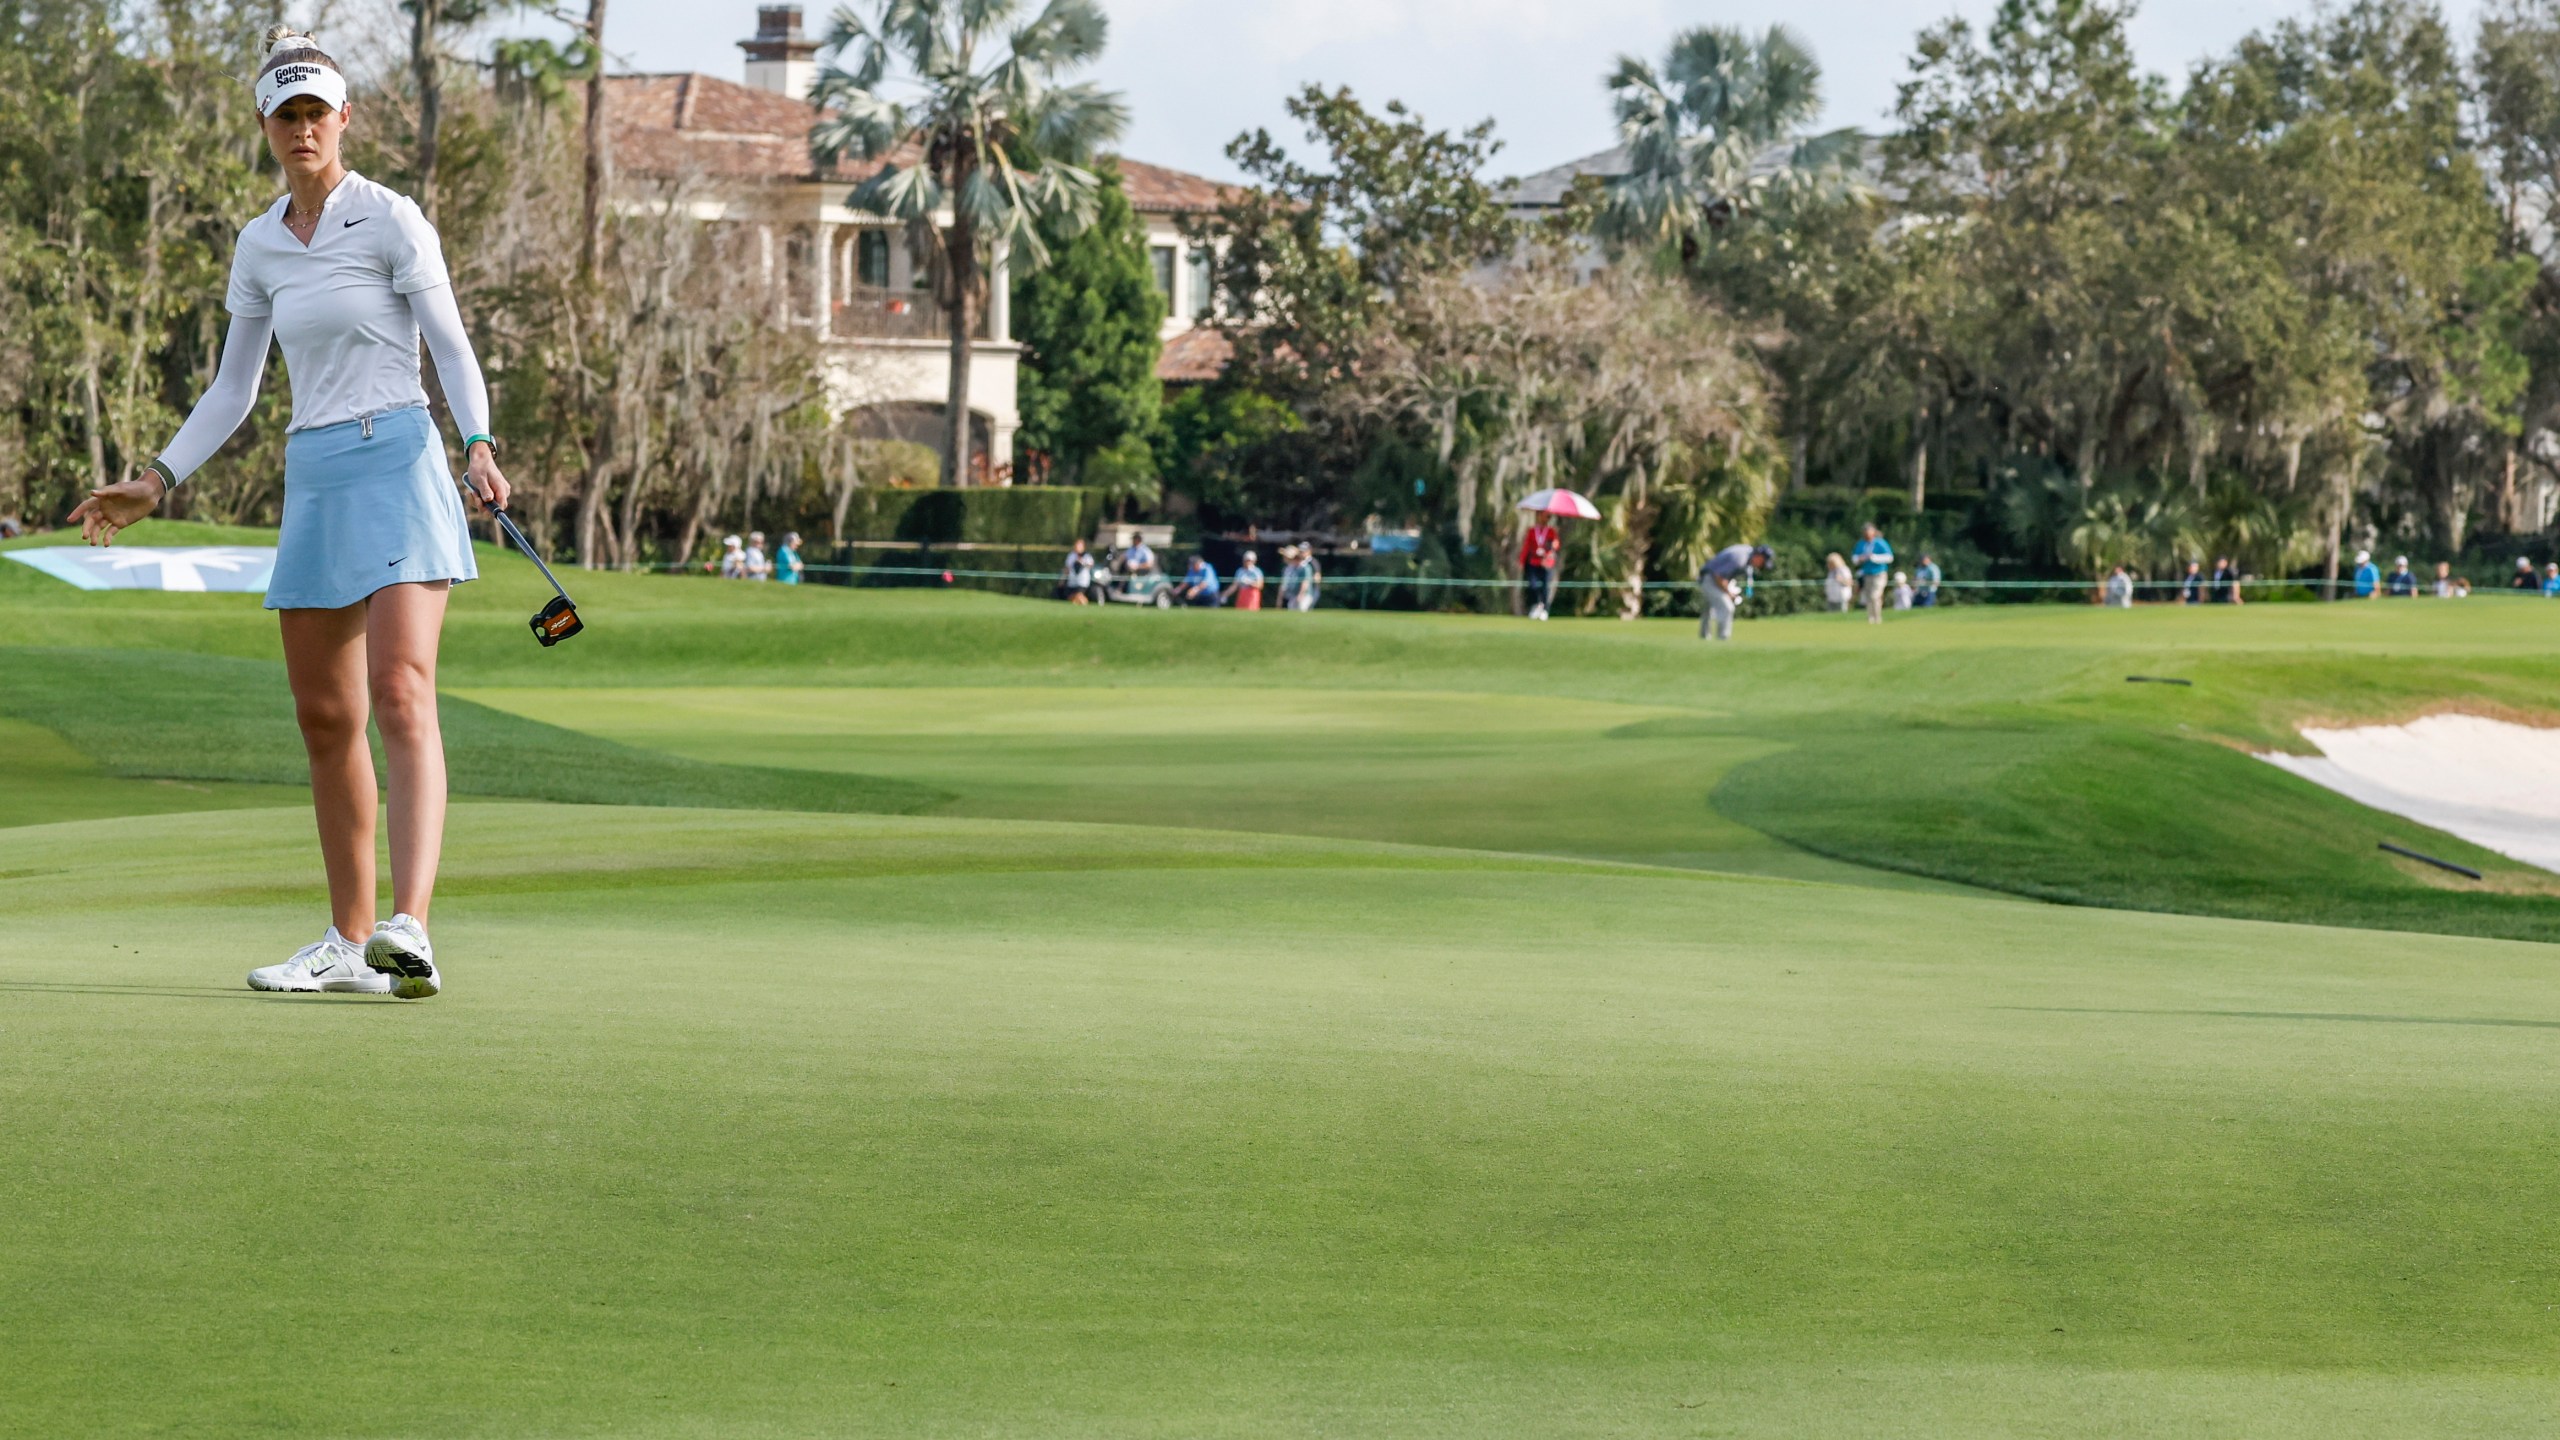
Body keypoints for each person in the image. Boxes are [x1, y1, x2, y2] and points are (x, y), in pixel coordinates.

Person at [67, 28, 503, 1000]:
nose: (303, 127)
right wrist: (157, 478)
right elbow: (234, 388)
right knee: (323, 714)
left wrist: (477, 440)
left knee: (399, 690)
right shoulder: (259, 242)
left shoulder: (391, 218)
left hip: (397, 457)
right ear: (265, 125)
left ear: (345, 118)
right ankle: (348, 944)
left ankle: (410, 930)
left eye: (318, 112)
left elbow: (452, 345)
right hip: (313, 472)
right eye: (286, 113)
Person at [1696, 543, 1772, 641]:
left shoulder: (1747, 553)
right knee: (1727, 608)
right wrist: (1729, 593)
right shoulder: (1740, 559)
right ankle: (1723, 638)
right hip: (1710, 579)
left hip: (1711, 577)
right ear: (1759, 556)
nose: (1761, 566)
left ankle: (1704, 637)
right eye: (1763, 562)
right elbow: (1718, 576)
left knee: (1709, 609)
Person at [1518, 514, 1561, 620]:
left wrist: (1552, 547)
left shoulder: (1551, 531)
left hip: (1546, 563)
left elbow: (1555, 545)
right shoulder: (1532, 531)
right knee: (1532, 585)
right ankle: (1536, 605)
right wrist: (1522, 561)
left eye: (1546, 517)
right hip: (1533, 562)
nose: (1544, 519)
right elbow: (1526, 546)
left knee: (1545, 587)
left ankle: (1545, 610)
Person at [1850, 523, 1894, 624]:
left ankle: (1877, 618)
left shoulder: (1880, 543)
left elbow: (1889, 557)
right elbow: (1854, 558)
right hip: (1867, 574)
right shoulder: (1861, 544)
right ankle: (1871, 618)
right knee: (1869, 597)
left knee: (1875, 595)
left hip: (1879, 573)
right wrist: (1860, 559)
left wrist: (1874, 557)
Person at [1059, 537, 1097, 603]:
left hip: (1082, 582)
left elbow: (1091, 565)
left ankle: (1083, 600)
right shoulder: (1071, 555)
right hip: (1072, 582)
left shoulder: (1087, 556)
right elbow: (1067, 568)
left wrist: (1082, 563)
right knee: (1069, 597)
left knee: (1079, 595)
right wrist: (1062, 580)